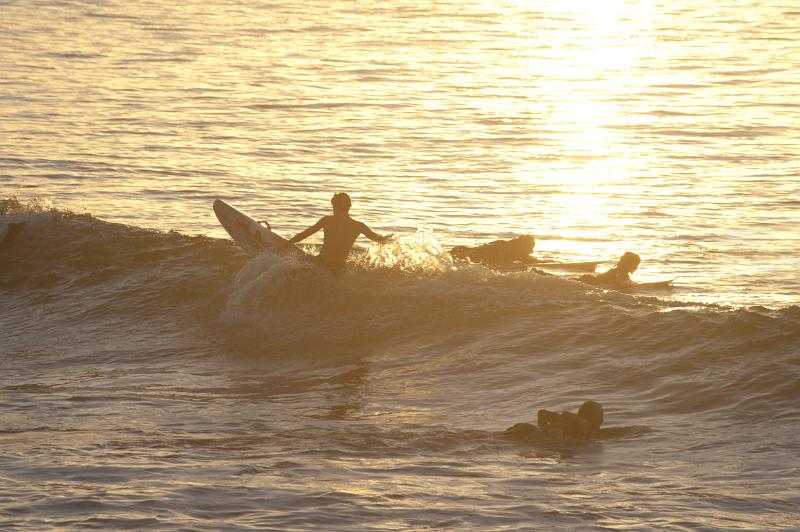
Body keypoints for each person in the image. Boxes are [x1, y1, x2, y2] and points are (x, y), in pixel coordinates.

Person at [283, 192, 390, 272]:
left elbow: (304, 235)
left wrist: (286, 244)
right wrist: (392, 239)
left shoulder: (326, 220)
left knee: (296, 262)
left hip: (321, 263)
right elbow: (378, 239)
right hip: (339, 268)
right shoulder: (359, 226)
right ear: (349, 207)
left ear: (334, 205)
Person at [504, 400, 604, 445]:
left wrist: (542, 432)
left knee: (491, 438)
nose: (602, 419)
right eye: (600, 414)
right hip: (526, 433)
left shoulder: (583, 429)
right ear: (594, 416)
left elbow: (542, 413)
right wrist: (543, 436)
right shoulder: (583, 423)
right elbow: (566, 415)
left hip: (525, 431)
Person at [450, 235, 536, 267]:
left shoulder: (516, 252)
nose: (531, 251)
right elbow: (481, 251)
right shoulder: (500, 249)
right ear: (520, 246)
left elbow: (533, 261)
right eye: (530, 248)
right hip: (460, 253)